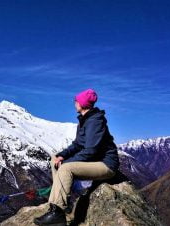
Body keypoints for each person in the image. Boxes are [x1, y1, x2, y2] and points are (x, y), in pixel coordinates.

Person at [34, 88, 120, 226]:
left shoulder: (95, 121)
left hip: (106, 165)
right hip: (96, 161)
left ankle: (57, 213)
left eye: (77, 100)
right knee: (54, 160)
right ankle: (58, 206)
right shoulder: (85, 120)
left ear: (83, 103)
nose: (75, 102)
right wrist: (61, 156)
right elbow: (77, 144)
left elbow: (91, 150)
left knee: (66, 168)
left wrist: (67, 162)